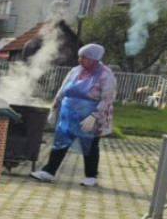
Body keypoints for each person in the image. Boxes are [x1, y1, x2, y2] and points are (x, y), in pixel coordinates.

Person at [31, 43, 116, 187]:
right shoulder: (75, 71)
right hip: (68, 115)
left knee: (89, 145)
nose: (80, 60)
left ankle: (91, 176)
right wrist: (54, 109)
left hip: (89, 117)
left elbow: (108, 98)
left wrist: (94, 116)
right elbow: (62, 90)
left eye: (84, 57)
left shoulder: (105, 74)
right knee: (60, 142)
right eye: (80, 57)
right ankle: (49, 172)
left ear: (94, 59)